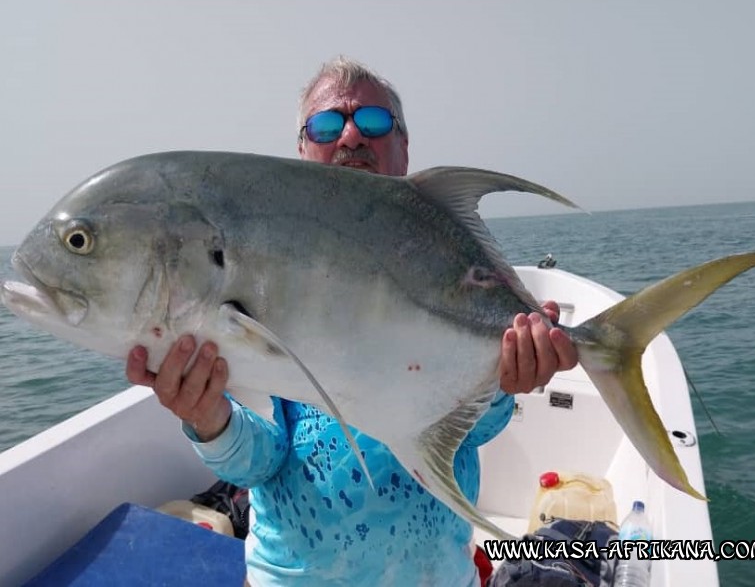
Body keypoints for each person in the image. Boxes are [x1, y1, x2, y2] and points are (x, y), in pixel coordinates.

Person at [126, 56, 578, 586]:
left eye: (373, 122)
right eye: (325, 124)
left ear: (403, 147)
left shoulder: (453, 267)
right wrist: (209, 419)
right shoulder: (265, 273)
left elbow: (474, 433)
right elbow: (260, 463)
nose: (349, 136)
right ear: (302, 149)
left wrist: (507, 384)